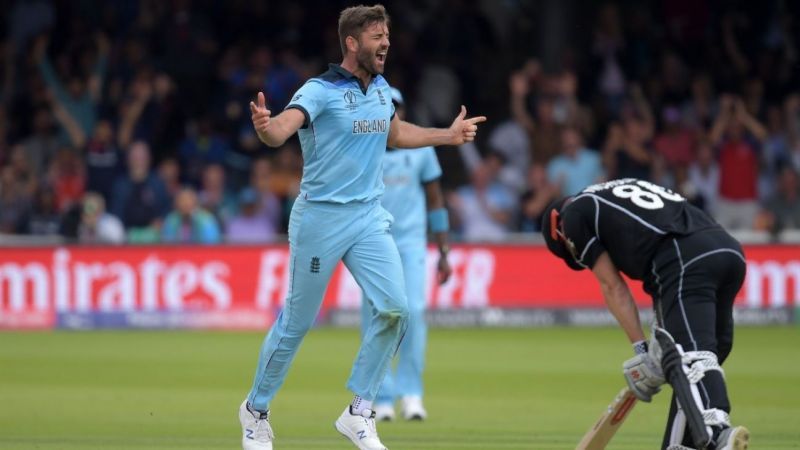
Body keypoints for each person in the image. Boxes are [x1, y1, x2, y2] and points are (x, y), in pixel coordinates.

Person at [239, 5, 486, 450]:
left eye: (387, 35)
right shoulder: (319, 90)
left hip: (369, 217)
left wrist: (448, 136)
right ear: (352, 43)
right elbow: (281, 130)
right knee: (297, 323)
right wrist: (265, 129)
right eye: (376, 36)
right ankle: (255, 411)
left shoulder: (382, 89)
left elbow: (394, 135)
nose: (386, 43)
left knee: (397, 310)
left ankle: (359, 412)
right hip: (320, 219)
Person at [542, 178, 749, 450]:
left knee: (690, 359)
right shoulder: (612, 191)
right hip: (728, 251)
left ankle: (716, 433)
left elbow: (612, 286)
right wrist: (657, 349)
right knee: (685, 366)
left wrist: (641, 351)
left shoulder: (572, 217)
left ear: (558, 228)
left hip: (682, 257)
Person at [361, 87, 452, 423]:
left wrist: (443, 251)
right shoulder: (363, 148)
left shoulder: (421, 151)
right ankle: (379, 397)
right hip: (371, 243)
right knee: (378, 316)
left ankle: (411, 393)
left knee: (413, 311)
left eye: (393, 109)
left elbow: (436, 201)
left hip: (412, 243)